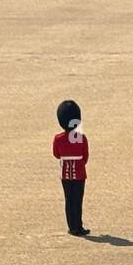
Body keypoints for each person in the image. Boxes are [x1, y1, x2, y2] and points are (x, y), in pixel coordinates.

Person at [52, 99, 89, 237]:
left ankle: (72, 226)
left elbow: (56, 154)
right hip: (79, 173)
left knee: (69, 200)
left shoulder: (58, 138)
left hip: (65, 173)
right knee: (78, 200)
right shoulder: (81, 138)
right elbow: (85, 157)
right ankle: (78, 226)